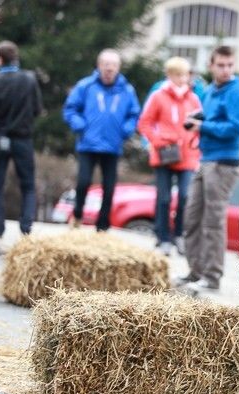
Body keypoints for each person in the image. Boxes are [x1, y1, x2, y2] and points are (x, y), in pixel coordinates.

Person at [177, 45, 239, 292]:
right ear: (211, 65)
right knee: (191, 218)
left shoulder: (237, 90)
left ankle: (212, 276)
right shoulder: (209, 91)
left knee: (212, 221)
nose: (226, 70)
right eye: (220, 65)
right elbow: (211, 115)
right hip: (205, 159)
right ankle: (195, 271)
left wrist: (203, 127)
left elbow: (236, 127)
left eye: (229, 65)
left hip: (224, 163)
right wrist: (196, 119)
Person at [63, 48, 141, 232]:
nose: (109, 69)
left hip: (112, 145)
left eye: (113, 65)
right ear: (99, 66)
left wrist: (126, 130)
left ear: (118, 68)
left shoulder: (127, 90)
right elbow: (70, 109)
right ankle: (78, 215)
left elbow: (134, 114)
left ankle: (102, 225)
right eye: (106, 65)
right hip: (88, 144)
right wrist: (80, 125)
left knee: (109, 187)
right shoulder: (86, 86)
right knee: (83, 182)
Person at [137, 57, 202, 256]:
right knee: (164, 198)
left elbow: (199, 124)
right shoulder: (158, 96)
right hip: (164, 154)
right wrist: (157, 141)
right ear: (170, 75)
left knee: (184, 196)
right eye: (179, 75)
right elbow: (144, 123)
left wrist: (195, 143)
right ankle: (163, 237)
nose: (183, 79)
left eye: (185, 75)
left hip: (187, 155)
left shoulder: (193, 99)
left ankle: (179, 235)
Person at [0, 40, 43, 238]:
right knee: (28, 185)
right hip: (23, 138)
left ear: (0, 59)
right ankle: (26, 226)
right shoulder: (29, 79)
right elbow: (37, 109)